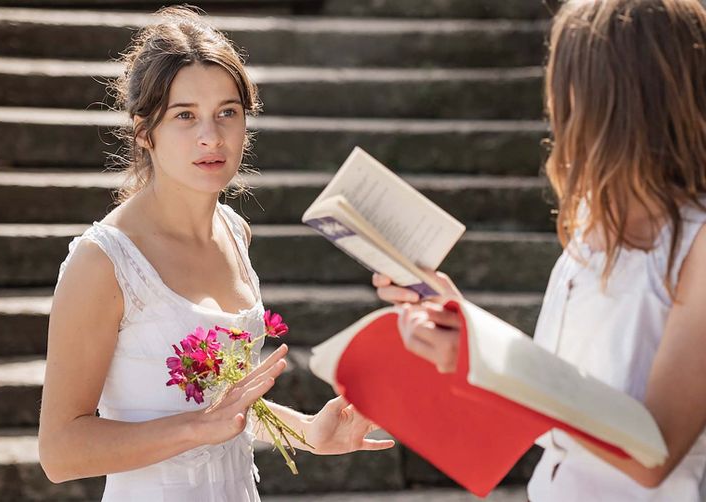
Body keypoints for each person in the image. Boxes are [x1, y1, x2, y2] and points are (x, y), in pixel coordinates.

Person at [38, 6, 393, 501]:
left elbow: (228, 408)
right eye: (185, 116)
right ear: (145, 131)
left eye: (227, 112)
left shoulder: (234, 231)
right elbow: (59, 452)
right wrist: (194, 428)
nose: (212, 136)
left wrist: (309, 433)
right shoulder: (103, 264)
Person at [373, 0, 706, 500]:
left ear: (621, 100)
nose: (556, 104)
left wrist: (490, 358)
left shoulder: (698, 241)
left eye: (569, 81)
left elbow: (652, 451)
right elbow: (559, 396)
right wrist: (464, 324)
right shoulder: (596, 222)